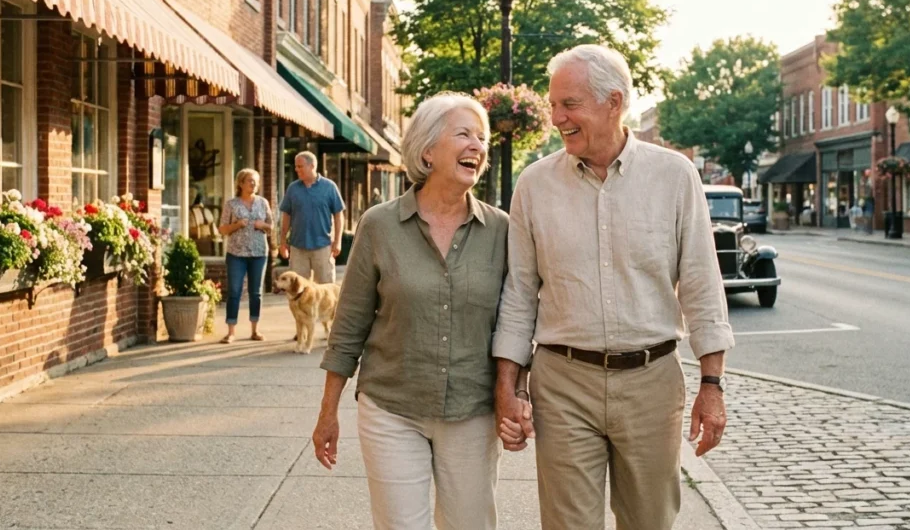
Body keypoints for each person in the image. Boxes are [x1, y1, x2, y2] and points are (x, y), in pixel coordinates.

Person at [493, 44, 736, 530]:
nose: (556, 117)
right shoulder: (535, 185)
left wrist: (712, 385)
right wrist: (507, 387)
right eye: (553, 104)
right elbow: (518, 294)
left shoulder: (675, 176)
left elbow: (702, 286)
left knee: (649, 521)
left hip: (651, 381)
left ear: (614, 102)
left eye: (570, 104)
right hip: (563, 382)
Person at [312, 93, 513, 530]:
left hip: (472, 410)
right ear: (426, 150)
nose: (477, 146)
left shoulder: (501, 230)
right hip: (392, 408)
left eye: (481, 138)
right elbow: (349, 326)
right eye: (463, 134)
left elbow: (515, 323)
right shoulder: (380, 225)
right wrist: (328, 412)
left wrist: (517, 394)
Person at [217, 169, 273, 343]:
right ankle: (231, 331)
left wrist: (261, 224)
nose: (253, 184)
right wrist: (237, 225)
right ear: (240, 183)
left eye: (255, 181)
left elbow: (271, 227)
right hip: (236, 254)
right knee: (234, 291)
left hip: (258, 253)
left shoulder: (263, 203)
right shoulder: (231, 205)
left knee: (256, 292)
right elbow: (222, 229)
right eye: (250, 181)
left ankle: (255, 330)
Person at [278, 152, 344, 284]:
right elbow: (286, 216)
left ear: (312, 166)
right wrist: (282, 242)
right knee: (297, 291)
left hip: (323, 246)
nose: (296, 169)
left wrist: (338, 240)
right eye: (296, 166)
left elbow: (338, 215)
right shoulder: (293, 189)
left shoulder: (329, 187)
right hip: (297, 247)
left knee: (326, 289)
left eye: (300, 166)